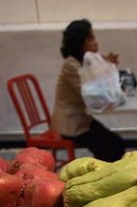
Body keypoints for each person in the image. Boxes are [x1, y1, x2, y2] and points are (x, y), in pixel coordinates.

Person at [51, 19, 128, 161]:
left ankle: (104, 172)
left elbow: (95, 77)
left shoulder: (82, 62)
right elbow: (92, 93)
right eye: (91, 38)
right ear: (80, 42)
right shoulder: (71, 65)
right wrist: (106, 68)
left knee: (115, 143)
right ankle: (104, 175)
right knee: (114, 145)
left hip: (82, 119)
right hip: (72, 125)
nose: (96, 42)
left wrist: (106, 64)